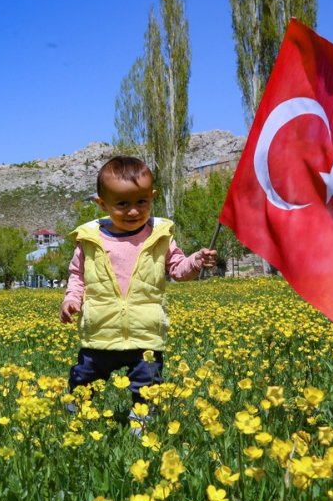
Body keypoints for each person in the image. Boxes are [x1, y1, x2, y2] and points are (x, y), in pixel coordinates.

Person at [59, 156, 216, 427]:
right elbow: (77, 276)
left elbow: (179, 270)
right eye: (122, 204)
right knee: (85, 377)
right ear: (102, 203)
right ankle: (78, 415)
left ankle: (141, 423)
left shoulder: (160, 236)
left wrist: (197, 262)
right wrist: (71, 298)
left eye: (141, 202)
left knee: (148, 382)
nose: (133, 211)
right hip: (101, 330)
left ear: (152, 197)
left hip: (146, 332)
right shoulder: (89, 240)